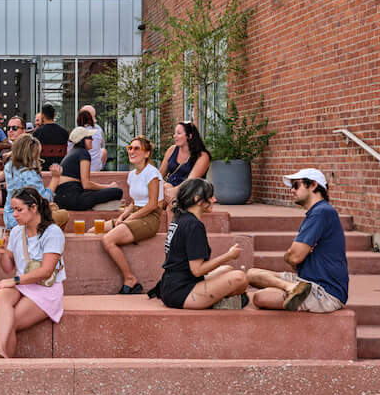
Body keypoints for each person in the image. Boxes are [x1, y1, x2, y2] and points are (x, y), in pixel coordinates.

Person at [245, 169, 348, 313]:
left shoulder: (321, 212)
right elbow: (294, 257)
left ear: (313, 185)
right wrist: (292, 257)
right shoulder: (318, 212)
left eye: (296, 185)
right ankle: (292, 288)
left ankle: (293, 289)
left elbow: (294, 257)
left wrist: (290, 256)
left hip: (325, 292)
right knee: (251, 274)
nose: (292, 190)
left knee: (261, 298)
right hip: (305, 280)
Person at [0, 188, 65, 358]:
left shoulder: (52, 233)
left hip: (45, 289)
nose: (14, 215)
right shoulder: (16, 232)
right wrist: (2, 252)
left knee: (9, 322)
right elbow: (8, 268)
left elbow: (46, 271)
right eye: (13, 209)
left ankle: (2, 363)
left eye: (19, 209)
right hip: (24, 284)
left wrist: (14, 281)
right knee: (2, 294)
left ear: (34, 208)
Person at [149, 178, 247, 308]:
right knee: (240, 278)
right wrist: (229, 256)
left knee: (227, 270)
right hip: (181, 292)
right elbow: (197, 270)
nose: (214, 200)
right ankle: (218, 301)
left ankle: (219, 298)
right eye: (210, 197)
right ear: (197, 199)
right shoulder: (194, 225)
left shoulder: (180, 218)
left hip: (170, 285)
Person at [103, 136, 166, 293]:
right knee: (93, 231)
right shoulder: (131, 175)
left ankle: (130, 279)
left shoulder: (152, 173)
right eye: (130, 148)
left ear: (147, 153)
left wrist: (130, 218)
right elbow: (133, 202)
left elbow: (152, 205)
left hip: (150, 218)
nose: (132, 151)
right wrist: (122, 216)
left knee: (108, 239)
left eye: (137, 148)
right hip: (136, 214)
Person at [50, 126, 122, 213]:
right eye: (89, 138)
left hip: (60, 198)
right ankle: (98, 205)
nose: (92, 140)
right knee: (117, 191)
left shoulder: (73, 152)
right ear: (82, 140)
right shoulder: (83, 153)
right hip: (72, 198)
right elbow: (86, 184)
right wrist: (109, 186)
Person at [0, 134, 53, 220]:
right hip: (25, 218)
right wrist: (55, 180)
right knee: (61, 215)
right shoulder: (30, 173)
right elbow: (43, 200)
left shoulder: (9, 166)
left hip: (9, 216)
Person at [161, 121, 212, 201]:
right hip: (168, 191)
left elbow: (190, 181)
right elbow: (159, 175)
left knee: (171, 206)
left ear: (189, 136)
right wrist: (165, 186)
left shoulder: (202, 156)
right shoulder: (172, 150)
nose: (175, 136)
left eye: (179, 133)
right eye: (175, 133)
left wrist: (172, 191)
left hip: (189, 192)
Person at [31, 104, 69, 170]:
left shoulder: (37, 133)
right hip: (60, 169)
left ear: (42, 116)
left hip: (42, 169)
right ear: (54, 115)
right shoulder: (64, 132)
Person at [78, 106, 106, 171]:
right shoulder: (99, 130)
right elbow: (102, 147)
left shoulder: (78, 131)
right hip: (95, 168)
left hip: (80, 168)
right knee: (103, 151)